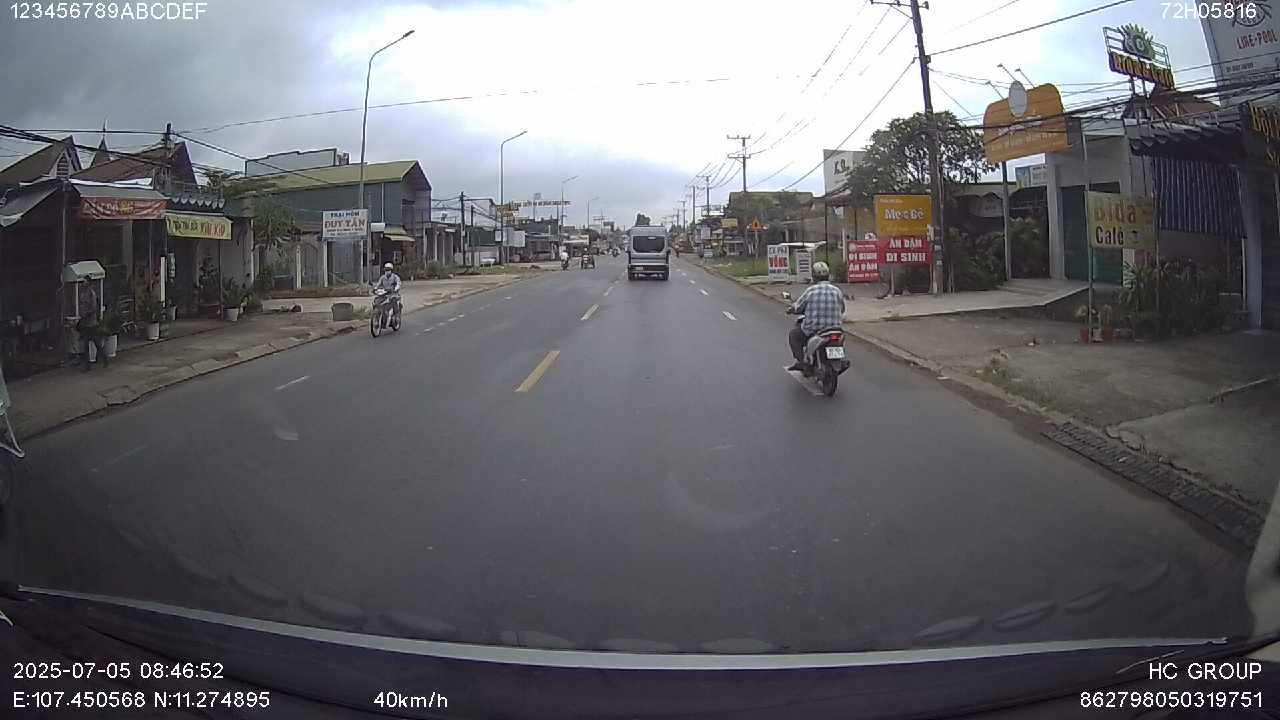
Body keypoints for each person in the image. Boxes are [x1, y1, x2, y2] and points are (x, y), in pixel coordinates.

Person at [785, 261, 845, 373]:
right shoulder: (837, 291)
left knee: (794, 335)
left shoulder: (811, 291)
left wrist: (791, 309)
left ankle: (802, 361)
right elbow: (842, 309)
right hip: (836, 329)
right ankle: (838, 360)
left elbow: (798, 307)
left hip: (815, 329)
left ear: (814, 276)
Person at [77, 283, 108, 371]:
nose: (83, 284)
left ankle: (104, 358)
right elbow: (82, 306)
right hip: (85, 323)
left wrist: (85, 314)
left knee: (96, 342)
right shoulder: (83, 293)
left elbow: (93, 308)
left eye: (85, 282)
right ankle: (87, 365)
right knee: (86, 344)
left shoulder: (92, 294)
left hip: (92, 323)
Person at [372, 262, 402, 327]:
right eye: (386, 270)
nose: (387, 271)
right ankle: (377, 318)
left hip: (393, 294)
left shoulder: (395, 277)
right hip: (384, 294)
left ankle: (397, 317)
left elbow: (398, 284)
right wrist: (375, 288)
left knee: (394, 302)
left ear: (391, 270)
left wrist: (395, 289)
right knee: (376, 302)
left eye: (388, 270)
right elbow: (378, 284)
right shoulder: (382, 277)